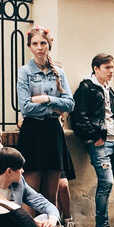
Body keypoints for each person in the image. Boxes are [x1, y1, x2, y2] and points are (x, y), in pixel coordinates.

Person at [16, 26, 75, 206]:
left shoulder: (59, 72)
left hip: (52, 131)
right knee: (31, 191)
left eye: (43, 43)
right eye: (35, 44)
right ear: (30, 47)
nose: (39, 47)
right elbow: (26, 108)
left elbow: (70, 103)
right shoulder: (24, 72)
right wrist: (54, 108)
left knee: (51, 192)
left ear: (49, 45)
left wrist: (46, 99)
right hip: (32, 130)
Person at [71, 53, 114, 227]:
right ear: (96, 69)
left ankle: (107, 226)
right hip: (100, 143)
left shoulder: (109, 90)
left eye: (112, 67)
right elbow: (79, 117)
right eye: (107, 68)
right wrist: (95, 137)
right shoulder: (87, 88)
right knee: (106, 183)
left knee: (111, 185)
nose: (111, 71)